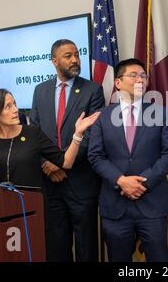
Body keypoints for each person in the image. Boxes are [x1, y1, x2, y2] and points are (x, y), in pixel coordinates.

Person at [88, 58, 168, 262]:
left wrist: (141, 183)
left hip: (152, 203)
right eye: (134, 75)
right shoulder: (103, 116)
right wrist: (121, 180)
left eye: (143, 76)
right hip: (115, 204)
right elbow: (95, 156)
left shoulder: (160, 112)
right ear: (118, 83)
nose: (140, 79)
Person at [30, 39, 105, 262]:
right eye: (68, 56)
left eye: (76, 54)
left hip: (81, 184)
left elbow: (92, 134)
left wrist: (61, 163)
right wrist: (45, 164)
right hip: (50, 185)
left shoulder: (93, 90)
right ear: (54, 61)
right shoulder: (40, 90)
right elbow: (35, 132)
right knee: (56, 248)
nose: (74, 60)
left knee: (86, 248)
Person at [0, 89, 99, 188]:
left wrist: (78, 134)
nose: (15, 110)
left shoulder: (32, 133)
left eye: (14, 104)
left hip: (32, 206)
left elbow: (66, 162)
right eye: (8, 106)